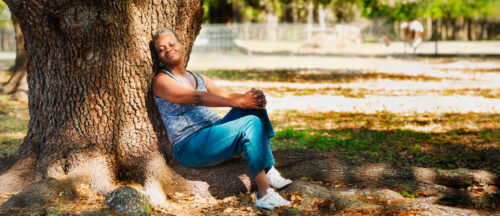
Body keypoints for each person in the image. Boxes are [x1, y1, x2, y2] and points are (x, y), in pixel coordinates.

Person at [151, 28, 292, 210]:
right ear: (159, 56)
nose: (167, 49)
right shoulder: (161, 81)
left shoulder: (198, 77)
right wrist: (239, 101)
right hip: (190, 145)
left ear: (181, 45)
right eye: (161, 49)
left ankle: (268, 168)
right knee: (251, 122)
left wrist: (248, 98)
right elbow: (197, 97)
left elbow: (225, 94)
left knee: (254, 109)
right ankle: (264, 194)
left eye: (171, 44)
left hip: (214, 134)